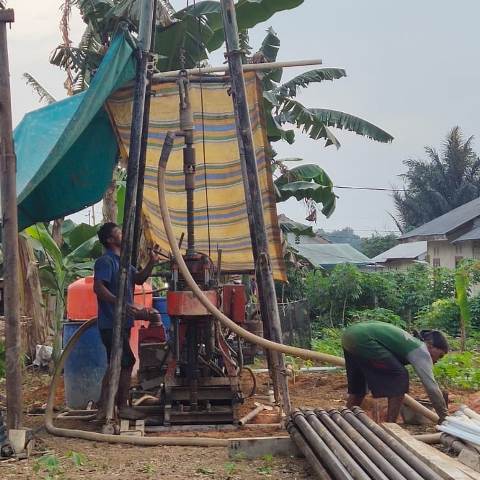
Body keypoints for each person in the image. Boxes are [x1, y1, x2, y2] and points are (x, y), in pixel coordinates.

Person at [93, 222, 161, 419]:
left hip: (121, 323)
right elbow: (98, 287)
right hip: (110, 323)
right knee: (123, 362)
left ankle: (105, 406)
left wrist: (152, 261)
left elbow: (138, 279)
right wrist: (120, 302)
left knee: (118, 363)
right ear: (110, 239)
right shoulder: (106, 261)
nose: (123, 234)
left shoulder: (122, 262)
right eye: (119, 232)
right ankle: (119, 407)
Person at [342, 321, 449, 423]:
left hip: (350, 334)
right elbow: (431, 388)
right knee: (400, 377)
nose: (437, 360)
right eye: (440, 355)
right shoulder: (422, 350)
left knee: (359, 387)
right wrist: (444, 417)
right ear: (430, 345)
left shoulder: (410, 342)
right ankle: (391, 424)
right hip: (363, 339)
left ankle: (345, 419)